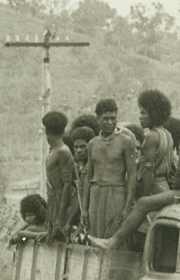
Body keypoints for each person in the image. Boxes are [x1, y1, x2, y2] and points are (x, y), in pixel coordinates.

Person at [96, 91, 180, 250]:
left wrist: (170, 188)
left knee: (143, 203)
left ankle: (113, 241)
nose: (140, 116)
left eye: (143, 112)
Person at [82, 98, 136, 238]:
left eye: (113, 118)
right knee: (94, 236)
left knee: (114, 236)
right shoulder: (92, 144)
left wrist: (127, 207)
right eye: (105, 119)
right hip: (95, 194)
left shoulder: (126, 142)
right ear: (98, 119)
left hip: (116, 194)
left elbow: (131, 174)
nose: (110, 122)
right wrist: (84, 208)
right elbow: (88, 177)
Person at [135, 90, 175, 198]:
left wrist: (145, 196)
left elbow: (149, 170)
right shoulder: (167, 134)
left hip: (153, 188)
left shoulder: (151, 136)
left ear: (154, 114)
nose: (140, 117)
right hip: (165, 187)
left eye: (143, 113)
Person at [41, 111, 75, 239]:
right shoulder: (54, 151)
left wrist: (61, 216)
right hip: (53, 203)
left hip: (61, 204)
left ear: (48, 132)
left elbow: (67, 185)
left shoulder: (63, 151)